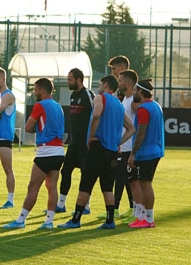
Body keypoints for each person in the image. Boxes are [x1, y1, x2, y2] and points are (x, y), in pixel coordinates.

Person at [58, 75, 135, 230]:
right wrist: (117, 142)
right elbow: (131, 128)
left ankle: (76, 219)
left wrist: (91, 136)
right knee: (107, 187)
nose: (98, 87)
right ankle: (109, 220)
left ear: (106, 85)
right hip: (112, 152)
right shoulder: (119, 105)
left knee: (86, 183)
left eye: (100, 84)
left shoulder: (100, 98)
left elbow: (97, 115)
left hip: (98, 148)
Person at [3, 78, 65, 230]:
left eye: (36, 89)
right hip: (59, 151)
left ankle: (21, 220)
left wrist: (39, 128)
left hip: (45, 151)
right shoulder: (59, 107)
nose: (34, 92)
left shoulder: (40, 105)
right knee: (52, 187)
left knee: (33, 187)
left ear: (42, 90)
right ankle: (49, 221)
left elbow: (28, 127)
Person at [127, 79, 164, 228]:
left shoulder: (143, 109)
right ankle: (143, 217)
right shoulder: (156, 106)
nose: (134, 93)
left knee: (145, 184)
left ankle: (149, 220)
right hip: (154, 150)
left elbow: (141, 134)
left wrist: (132, 154)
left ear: (141, 92)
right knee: (142, 184)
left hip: (146, 152)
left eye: (136, 90)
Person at [57, 68, 94, 213]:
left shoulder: (88, 95)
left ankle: (86, 206)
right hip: (74, 142)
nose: (68, 82)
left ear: (79, 79)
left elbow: (95, 116)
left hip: (85, 143)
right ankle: (61, 204)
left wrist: (90, 139)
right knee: (65, 171)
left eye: (70, 79)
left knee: (86, 174)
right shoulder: (73, 95)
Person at [0, 67, 17, 209]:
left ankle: (10, 200)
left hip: (5, 138)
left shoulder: (7, 95)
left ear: (4, 79)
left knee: (8, 169)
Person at [114, 70, 139, 216]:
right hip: (123, 146)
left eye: (120, 80)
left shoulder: (134, 102)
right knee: (123, 178)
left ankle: (124, 209)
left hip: (129, 147)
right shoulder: (124, 100)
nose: (118, 83)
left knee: (126, 179)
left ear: (128, 83)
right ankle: (124, 208)